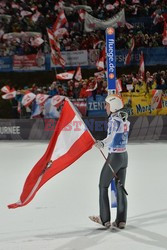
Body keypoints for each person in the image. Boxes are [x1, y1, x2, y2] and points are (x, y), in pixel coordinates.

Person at [89, 94, 130, 229]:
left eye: (107, 104)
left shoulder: (114, 120)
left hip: (115, 157)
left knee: (103, 185)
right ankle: (121, 220)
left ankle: (104, 219)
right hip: (124, 156)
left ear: (113, 106)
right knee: (120, 188)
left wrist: (101, 143)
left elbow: (111, 137)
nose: (105, 107)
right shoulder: (124, 118)